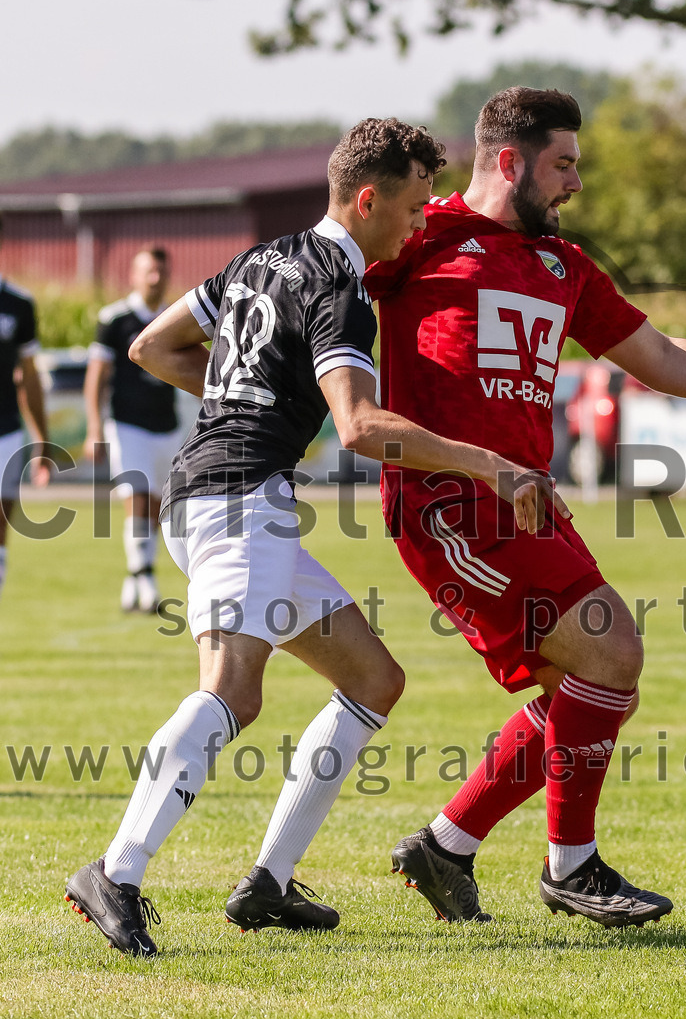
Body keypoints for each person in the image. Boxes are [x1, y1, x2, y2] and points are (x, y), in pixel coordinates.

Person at [64, 117, 561, 958]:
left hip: (218, 491)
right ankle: (116, 871)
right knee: (234, 691)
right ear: (367, 200)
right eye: (408, 207)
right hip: (236, 499)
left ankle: (268, 881)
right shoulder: (340, 284)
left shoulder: (263, 255)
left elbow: (157, 346)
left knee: (373, 677)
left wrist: (246, 396)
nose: (417, 222)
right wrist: (494, 466)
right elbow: (362, 427)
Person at [362, 88, 686, 928]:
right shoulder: (417, 237)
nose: (576, 182)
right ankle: (570, 868)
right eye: (563, 164)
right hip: (451, 505)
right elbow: (314, 282)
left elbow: (655, 355)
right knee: (610, 650)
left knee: (586, 680)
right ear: (509, 162)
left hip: (530, 507)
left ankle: (447, 845)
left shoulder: (562, 266)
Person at [85, 247, 180, 613]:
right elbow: (97, 376)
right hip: (127, 424)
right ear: (134, 275)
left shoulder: (175, 317)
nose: (155, 278)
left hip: (166, 425)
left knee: (157, 503)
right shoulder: (115, 319)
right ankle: (147, 581)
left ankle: (135, 576)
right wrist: (95, 426)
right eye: (149, 272)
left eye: (161, 272)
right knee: (137, 496)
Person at [0, 215, 51, 603]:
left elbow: (29, 377)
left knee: (1, 522)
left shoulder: (19, 303)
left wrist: (41, 441)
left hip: (5, 429)